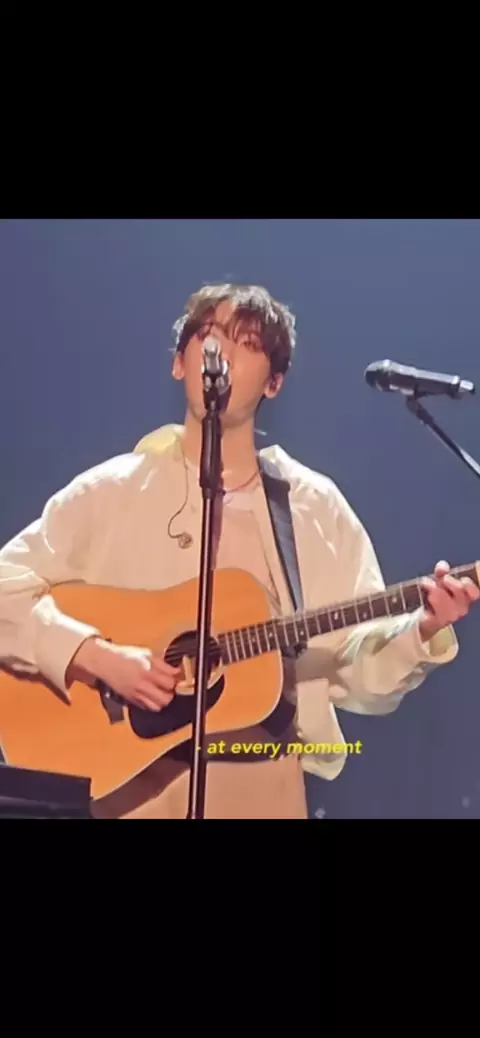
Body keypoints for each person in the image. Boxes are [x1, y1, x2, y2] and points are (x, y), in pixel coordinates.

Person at [0, 282, 478, 819]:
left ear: (274, 382)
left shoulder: (312, 507)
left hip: (262, 783)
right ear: (179, 363)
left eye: (246, 344)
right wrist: (98, 657)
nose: (221, 352)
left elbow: (359, 674)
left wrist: (422, 630)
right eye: (208, 335)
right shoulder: (110, 492)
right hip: (130, 788)